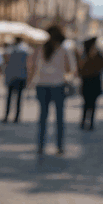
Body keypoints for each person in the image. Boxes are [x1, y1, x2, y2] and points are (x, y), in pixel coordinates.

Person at [28, 26, 73, 159]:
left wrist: (30, 82)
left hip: (42, 85)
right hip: (58, 86)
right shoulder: (63, 50)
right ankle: (59, 146)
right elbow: (69, 68)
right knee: (59, 118)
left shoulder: (40, 49)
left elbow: (33, 66)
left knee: (43, 117)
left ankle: (41, 145)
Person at [78, 38, 103, 131]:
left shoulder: (98, 55)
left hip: (95, 81)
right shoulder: (84, 56)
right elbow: (80, 69)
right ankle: (83, 121)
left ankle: (90, 122)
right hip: (87, 81)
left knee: (93, 103)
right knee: (86, 103)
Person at [2, 37, 30, 123]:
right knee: (19, 98)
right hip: (21, 76)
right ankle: (17, 117)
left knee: (9, 98)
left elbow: (5, 59)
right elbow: (28, 64)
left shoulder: (10, 50)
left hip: (11, 76)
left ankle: (6, 116)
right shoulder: (26, 50)